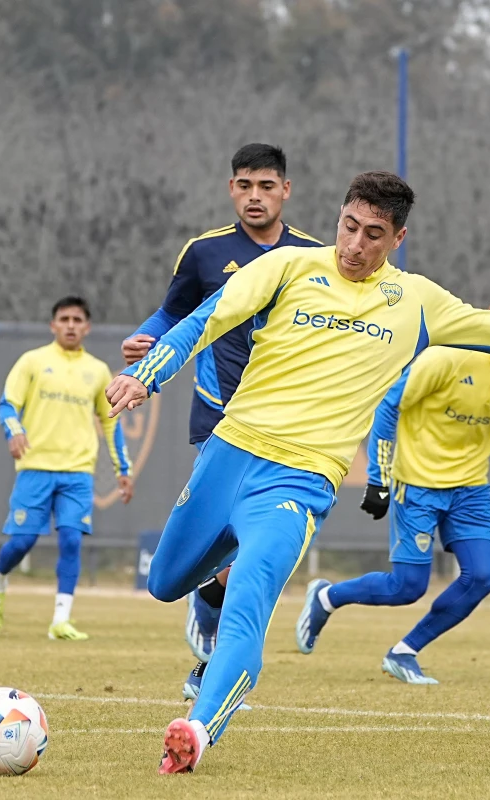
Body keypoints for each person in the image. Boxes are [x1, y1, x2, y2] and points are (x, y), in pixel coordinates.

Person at [106, 171, 490, 774]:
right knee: (165, 582)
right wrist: (145, 375)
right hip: (227, 456)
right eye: (349, 227)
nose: (355, 245)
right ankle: (210, 572)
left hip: (299, 481)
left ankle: (198, 730)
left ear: (397, 238)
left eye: (373, 235)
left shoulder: (416, 300)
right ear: (339, 217)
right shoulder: (288, 268)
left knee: (249, 601)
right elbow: (206, 318)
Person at [294, 275, 490, 684]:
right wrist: (378, 479)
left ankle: (404, 651)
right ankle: (326, 596)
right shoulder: (447, 356)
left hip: (470, 489)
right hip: (418, 485)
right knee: (407, 587)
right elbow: (388, 407)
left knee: (481, 577)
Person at [121, 143, 322, 700]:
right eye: (243, 185)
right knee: (230, 545)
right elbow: (172, 311)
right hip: (220, 417)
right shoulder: (206, 253)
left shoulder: (315, 256)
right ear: (231, 188)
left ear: (286, 190)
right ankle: (208, 613)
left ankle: (210, 642)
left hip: (286, 424)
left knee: (252, 553)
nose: (253, 196)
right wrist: (147, 336)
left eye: (265, 186)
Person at [0, 297, 134, 640]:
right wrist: (15, 431)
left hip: (78, 472)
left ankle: (60, 620)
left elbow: (111, 422)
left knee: (71, 540)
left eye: (77, 319)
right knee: (22, 542)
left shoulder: (97, 371)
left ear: (87, 327)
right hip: (36, 467)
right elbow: (8, 405)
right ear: (53, 325)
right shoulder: (33, 361)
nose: (70, 325)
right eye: (63, 319)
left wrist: (122, 469)